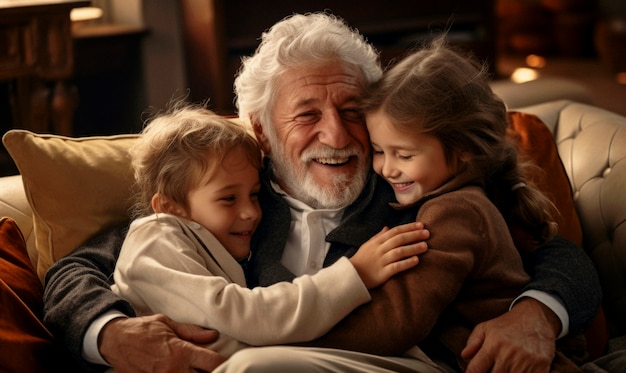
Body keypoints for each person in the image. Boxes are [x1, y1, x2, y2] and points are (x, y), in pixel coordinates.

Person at [43, 12, 601, 373]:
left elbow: (556, 253)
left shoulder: (410, 185)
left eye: (351, 111)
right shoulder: (227, 197)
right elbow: (77, 269)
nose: (335, 136)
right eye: (307, 114)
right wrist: (109, 333)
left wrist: (536, 315)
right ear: (261, 131)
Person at [111, 102, 425, 357]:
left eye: (254, 195)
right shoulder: (154, 236)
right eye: (228, 199)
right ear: (169, 206)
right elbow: (243, 317)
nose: (250, 212)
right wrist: (354, 274)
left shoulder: (210, 243)